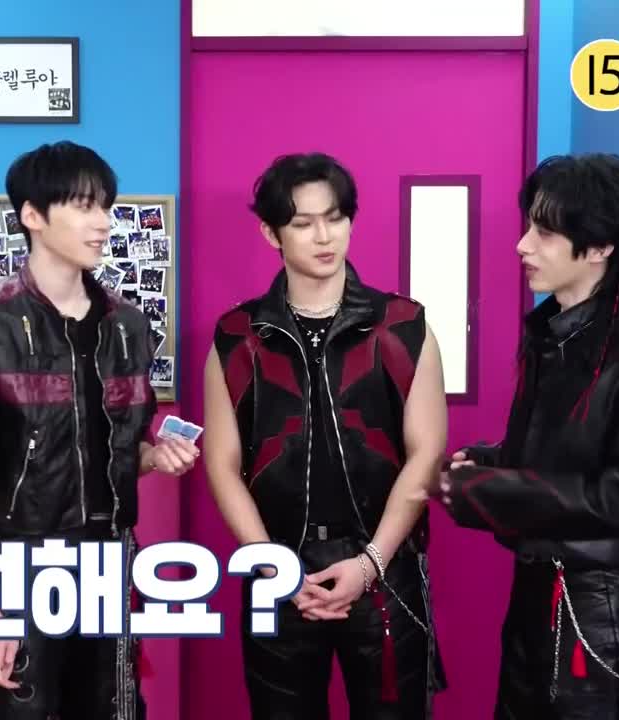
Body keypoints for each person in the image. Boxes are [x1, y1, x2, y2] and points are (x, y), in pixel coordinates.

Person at [0, 141, 199, 720]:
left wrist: (156, 456)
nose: (102, 222)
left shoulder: (128, 325)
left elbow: (120, 447)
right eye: (83, 206)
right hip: (17, 559)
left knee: (112, 709)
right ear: (32, 215)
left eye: (105, 206)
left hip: (109, 555)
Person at [433, 153, 619, 719]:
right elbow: (557, 460)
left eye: (545, 232)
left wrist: (485, 490)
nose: (522, 245)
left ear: (600, 247)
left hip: (596, 620)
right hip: (535, 602)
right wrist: (481, 464)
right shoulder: (554, 339)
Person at [202, 152, 449, 718]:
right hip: (276, 567)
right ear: (272, 233)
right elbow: (222, 463)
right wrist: (273, 567)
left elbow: (427, 452)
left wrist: (370, 562)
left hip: (384, 567)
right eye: (303, 223)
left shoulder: (404, 325)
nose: (324, 236)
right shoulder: (236, 335)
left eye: (335, 218)